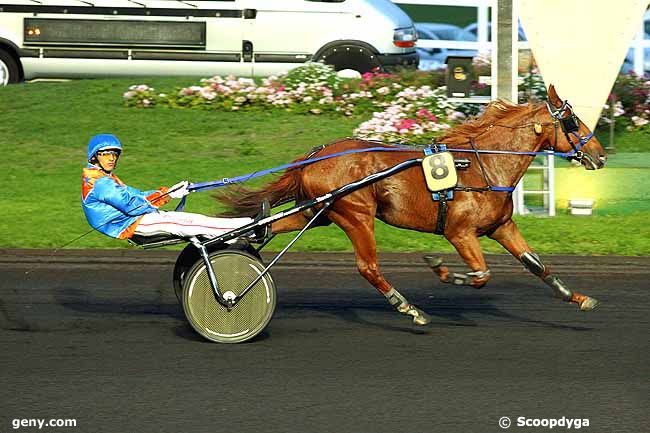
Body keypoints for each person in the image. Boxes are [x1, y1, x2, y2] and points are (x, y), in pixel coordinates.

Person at [81, 134, 269, 242]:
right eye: (106, 154)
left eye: (115, 154)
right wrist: (169, 196)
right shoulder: (100, 183)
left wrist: (169, 191)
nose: (112, 158)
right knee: (186, 225)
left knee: (191, 219)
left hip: (135, 219)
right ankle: (250, 226)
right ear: (94, 158)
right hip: (129, 225)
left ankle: (246, 228)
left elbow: (137, 195)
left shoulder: (104, 178)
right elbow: (132, 205)